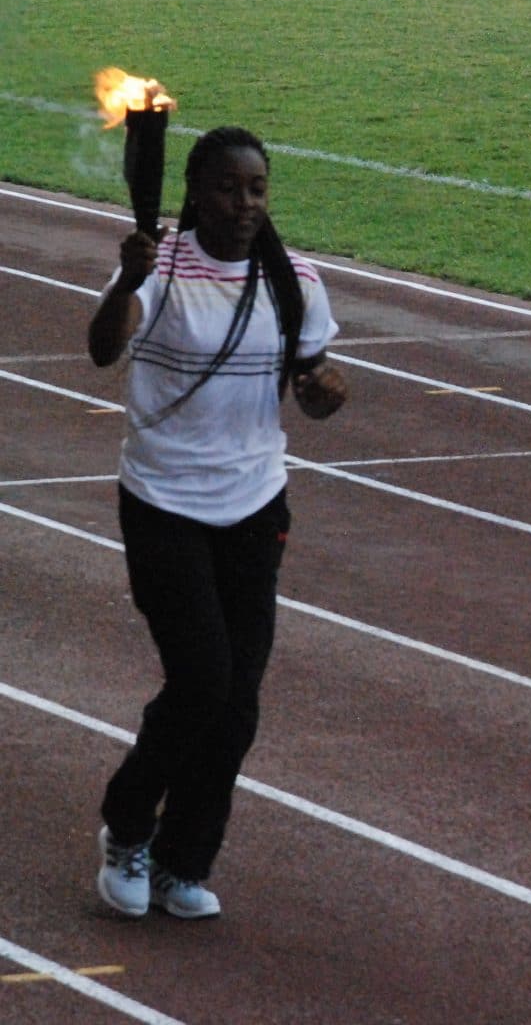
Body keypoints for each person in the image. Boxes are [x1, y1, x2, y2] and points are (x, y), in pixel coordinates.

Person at [88, 126, 347, 920]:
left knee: (237, 705)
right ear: (196, 194)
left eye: (257, 188)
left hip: (255, 503)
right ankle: (127, 827)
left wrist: (324, 392)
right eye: (229, 189)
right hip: (163, 502)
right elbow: (103, 349)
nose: (245, 204)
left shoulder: (294, 279)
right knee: (202, 679)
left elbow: (311, 377)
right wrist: (125, 284)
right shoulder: (160, 268)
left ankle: (182, 861)